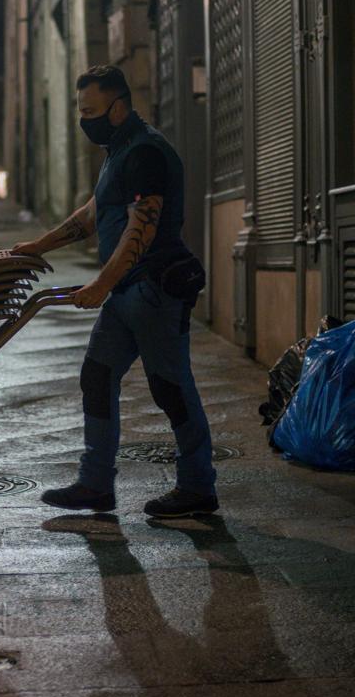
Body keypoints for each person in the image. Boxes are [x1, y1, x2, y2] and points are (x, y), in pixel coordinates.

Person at [12, 65, 217, 518]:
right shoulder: (119, 148)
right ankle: (95, 484)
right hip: (128, 292)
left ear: (119, 106)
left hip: (154, 289)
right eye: (81, 111)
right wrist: (39, 246)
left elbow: (140, 230)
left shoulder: (146, 153)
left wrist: (100, 284)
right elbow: (95, 211)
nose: (86, 120)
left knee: (171, 387)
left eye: (92, 111)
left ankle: (199, 485)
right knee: (97, 377)